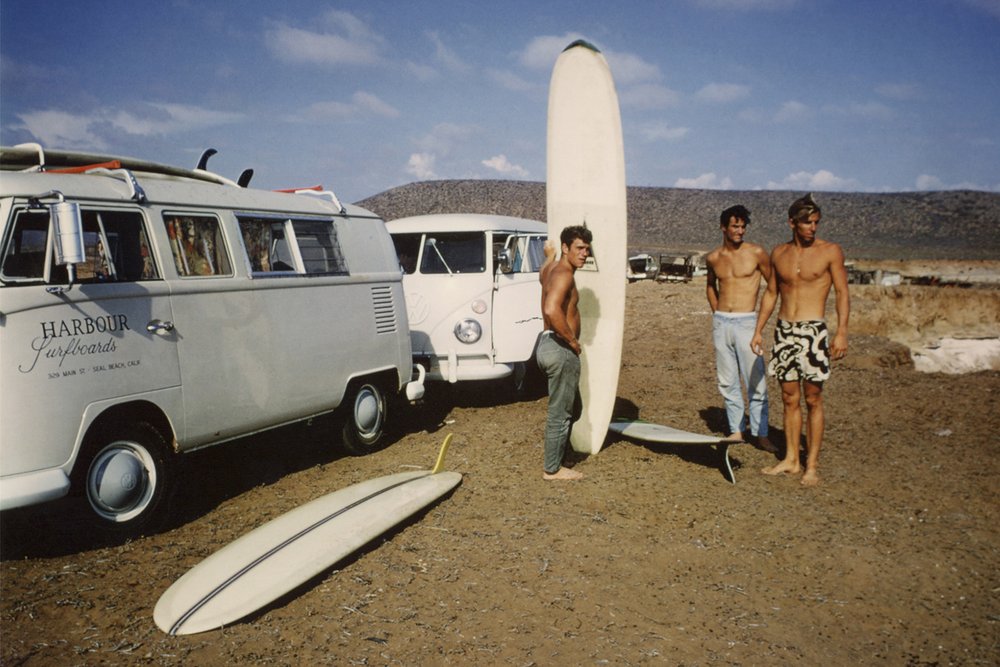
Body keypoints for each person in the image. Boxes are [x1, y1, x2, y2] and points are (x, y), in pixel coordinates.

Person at [751, 194, 849, 486]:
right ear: (792, 222)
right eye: (807, 222)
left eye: (816, 222)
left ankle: (812, 465)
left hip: (813, 331)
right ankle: (791, 459)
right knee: (788, 397)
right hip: (785, 330)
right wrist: (758, 329)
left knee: (813, 398)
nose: (813, 228)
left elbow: (843, 292)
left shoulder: (830, 251)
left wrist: (841, 332)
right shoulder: (779, 253)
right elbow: (771, 293)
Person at [705, 204, 775, 453]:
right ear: (724, 227)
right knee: (728, 380)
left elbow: (773, 287)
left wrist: (759, 327)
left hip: (747, 322)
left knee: (756, 380)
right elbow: (711, 286)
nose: (739, 231)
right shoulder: (713, 257)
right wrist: (717, 313)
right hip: (722, 322)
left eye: (743, 226)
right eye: (735, 226)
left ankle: (761, 433)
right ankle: (736, 429)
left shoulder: (756, 253)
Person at [536, 226, 592, 480]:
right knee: (561, 412)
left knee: (574, 408)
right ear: (566, 248)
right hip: (560, 347)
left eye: (587, 249)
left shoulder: (552, 269)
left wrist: (549, 255)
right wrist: (572, 341)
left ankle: (559, 455)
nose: (585, 254)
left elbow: (541, 275)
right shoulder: (565, 274)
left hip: (546, 344)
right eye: (579, 248)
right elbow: (551, 308)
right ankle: (553, 469)